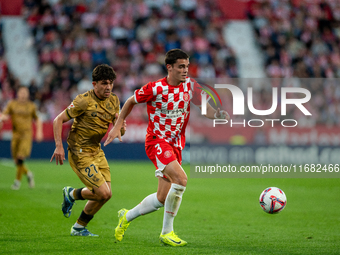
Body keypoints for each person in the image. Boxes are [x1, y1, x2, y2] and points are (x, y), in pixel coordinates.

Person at [104, 49, 229, 246]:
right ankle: (167, 232)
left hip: (176, 145)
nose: (185, 70)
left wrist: (218, 114)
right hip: (157, 142)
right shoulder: (155, 88)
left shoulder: (190, 86)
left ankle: (126, 217)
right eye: (181, 67)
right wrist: (118, 124)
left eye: (187, 66)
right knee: (181, 179)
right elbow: (130, 101)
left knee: (162, 198)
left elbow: (205, 108)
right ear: (169, 67)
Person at [50, 64, 126, 237]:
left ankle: (78, 227)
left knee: (106, 195)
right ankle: (72, 194)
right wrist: (59, 146)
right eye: (104, 83)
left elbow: (118, 129)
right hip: (79, 151)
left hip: (96, 150)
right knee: (103, 192)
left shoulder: (114, 100)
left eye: (111, 83)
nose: (108, 87)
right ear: (94, 84)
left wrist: (120, 127)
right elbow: (58, 120)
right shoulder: (83, 100)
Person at [0, 86, 43, 190]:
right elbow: (4, 115)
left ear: (28, 94)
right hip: (15, 134)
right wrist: (2, 119)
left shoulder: (31, 106)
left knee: (20, 157)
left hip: (26, 135)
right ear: (18, 93)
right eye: (21, 92)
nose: (23, 94)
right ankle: (28, 173)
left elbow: (38, 119)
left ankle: (17, 182)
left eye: (25, 92)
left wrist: (39, 132)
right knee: (16, 161)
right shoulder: (12, 104)